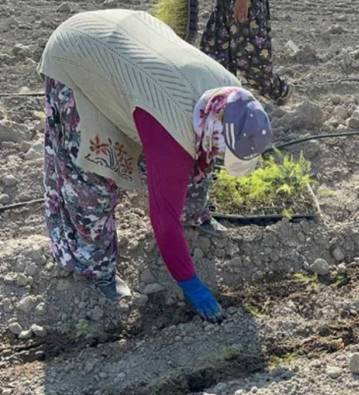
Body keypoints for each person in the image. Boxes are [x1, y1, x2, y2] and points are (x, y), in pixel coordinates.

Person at [38, 9, 273, 322]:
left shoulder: (230, 95)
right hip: (79, 55)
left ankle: (196, 214)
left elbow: (203, 150)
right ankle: (93, 266)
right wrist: (189, 283)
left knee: (197, 153)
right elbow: (163, 217)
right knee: (95, 175)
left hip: (130, 45)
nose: (221, 157)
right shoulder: (171, 130)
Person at [200, 0, 291, 104]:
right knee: (214, 58)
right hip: (223, 4)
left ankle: (280, 91)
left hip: (247, 5)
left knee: (252, 65)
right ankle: (224, 103)